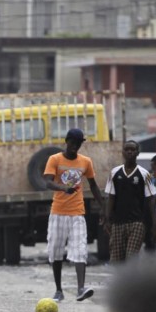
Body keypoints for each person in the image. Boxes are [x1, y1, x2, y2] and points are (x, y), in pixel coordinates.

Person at [43, 128, 104, 302]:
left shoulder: (86, 162)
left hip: (77, 213)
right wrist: (63, 188)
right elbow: (47, 182)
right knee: (55, 250)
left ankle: (80, 288)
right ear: (66, 141)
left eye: (78, 144)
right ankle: (58, 290)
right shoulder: (54, 159)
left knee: (80, 249)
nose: (75, 146)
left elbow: (93, 186)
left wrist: (104, 208)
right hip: (58, 212)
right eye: (72, 143)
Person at [103, 140, 156, 264]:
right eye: (127, 149)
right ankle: (120, 283)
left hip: (137, 222)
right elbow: (110, 196)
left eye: (132, 150)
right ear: (122, 152)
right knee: (116, 261)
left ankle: (132, 282)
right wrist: (107, 219)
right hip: (118, 223)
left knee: (131, 258)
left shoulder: (144, 174)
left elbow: (151, 199)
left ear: (137, 152)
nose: (129, 152)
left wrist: (154, 225)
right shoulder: (114, 173)